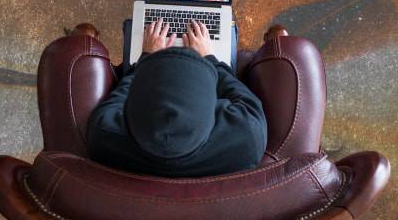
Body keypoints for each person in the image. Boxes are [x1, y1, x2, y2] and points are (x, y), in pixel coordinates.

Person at [83, 17, 267, 177]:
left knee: (133, 29)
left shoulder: (102, 134)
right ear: (213, 105)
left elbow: (119, 95)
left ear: (131, 107)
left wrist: (146, 56)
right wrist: (209, 57)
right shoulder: (248, 138)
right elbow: (241, 94)